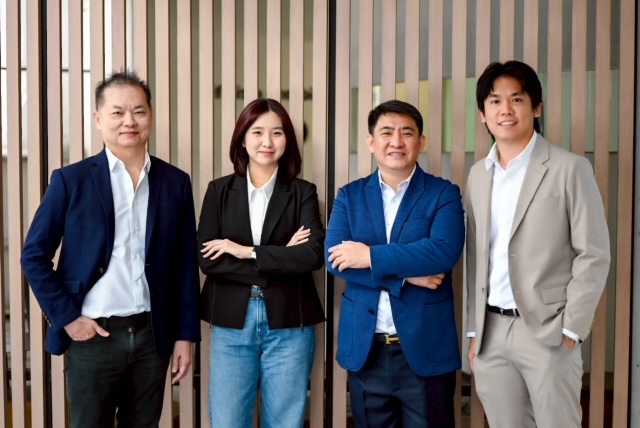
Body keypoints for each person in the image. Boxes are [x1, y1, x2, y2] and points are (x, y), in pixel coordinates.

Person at [20, 70, 200, 427]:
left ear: (151, 116)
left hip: (152, 336)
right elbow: (34, 255)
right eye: (117, 112)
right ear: (98, 118)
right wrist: (68, 319)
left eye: (139, 111)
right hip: (94, 337)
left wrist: (185, 336)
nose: (129, 121)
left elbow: (184, 265)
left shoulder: (175, 182)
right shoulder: (71, 180)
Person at [465, 60, 611, 427]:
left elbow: (593, 254)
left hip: (548, 331)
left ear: (536, 107)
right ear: (483, 114)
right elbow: (476, 258)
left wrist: (571, 330)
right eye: (495, 101)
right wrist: (474, 331)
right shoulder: (478, 175)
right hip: (491, 332)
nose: (506, 110)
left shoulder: (569, 168)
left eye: (516, 99)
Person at [326, 100, 465, 427]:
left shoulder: (443, 193)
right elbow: (335, 260)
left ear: (421, 141)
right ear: (371, 142)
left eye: (407, 133)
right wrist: (403, 278)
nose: (396, 142)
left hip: (425, 348)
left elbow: (443, 252)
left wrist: (368, 256)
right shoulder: (350, 196)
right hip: (367, 351)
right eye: (386, 133)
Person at [198, 98, 325, 428]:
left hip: (290, 322)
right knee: (227, 422)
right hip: (231, 322)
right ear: (242, 139)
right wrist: (281, 255)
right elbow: (208, 260)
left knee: (285, 422)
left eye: (277, 133)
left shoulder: (303, 192)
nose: (267, 141)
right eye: (257, 132)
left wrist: (245, 251)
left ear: (288, 140)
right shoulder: (219, 191)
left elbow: (312, 255)